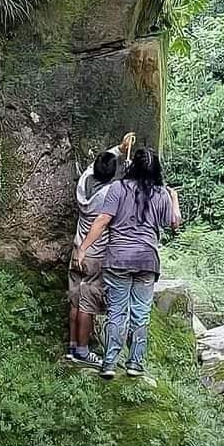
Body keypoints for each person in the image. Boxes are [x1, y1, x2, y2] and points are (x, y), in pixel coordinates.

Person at [75, 147, 181, 379]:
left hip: (118, 259)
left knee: (116, 313)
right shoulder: (162, 194)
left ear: (132, 166)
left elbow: (102, 220)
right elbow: (174, 223)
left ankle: (110, 363)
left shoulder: (118, 188)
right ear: (156, 170)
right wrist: (174, 198)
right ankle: (135, 364)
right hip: (147, 261)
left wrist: (83, 248)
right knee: (141, 314)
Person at [67, 131, 135, 368]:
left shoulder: (84, 183)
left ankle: (73, 346)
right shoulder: (110, 194)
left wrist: (119, 147)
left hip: (77, 249)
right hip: (94, 253)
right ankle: (83, 352)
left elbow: (98, 163)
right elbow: (127, 189)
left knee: (76, 299)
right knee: (88, 304)